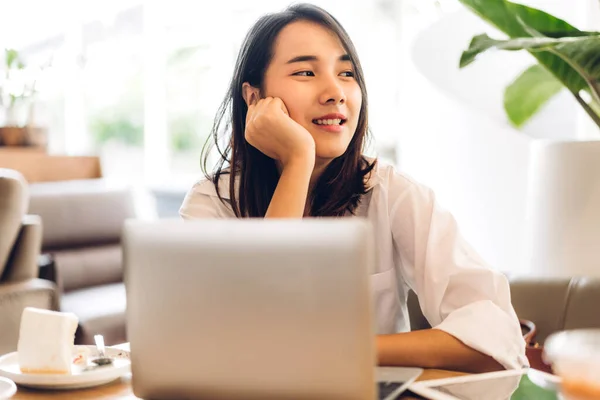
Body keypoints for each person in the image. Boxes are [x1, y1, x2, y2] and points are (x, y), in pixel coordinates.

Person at [179, 3, 528, 373]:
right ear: (254, 99)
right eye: (305, 72)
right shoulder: (211, 205)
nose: (335, 91)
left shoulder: (390, 192)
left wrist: (343, 349)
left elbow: (498, 336)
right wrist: (299, 161)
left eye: (346, 73)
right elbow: (247, 342)